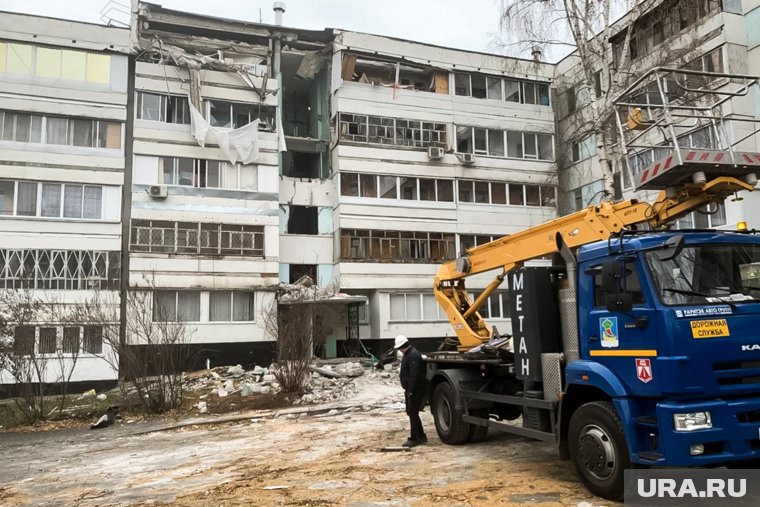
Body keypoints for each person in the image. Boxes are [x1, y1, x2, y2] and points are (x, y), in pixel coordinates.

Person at [394, 334, 428, 447]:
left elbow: (414, 375)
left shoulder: (413, 355)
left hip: (415, 389)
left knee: (413, 412)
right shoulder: (409, 354)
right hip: (411, 389)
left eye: (399, 348)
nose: (399, 351)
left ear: (403, 346)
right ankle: (421, 435)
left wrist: (411, 390)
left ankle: (414, 438)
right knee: (411, 412)